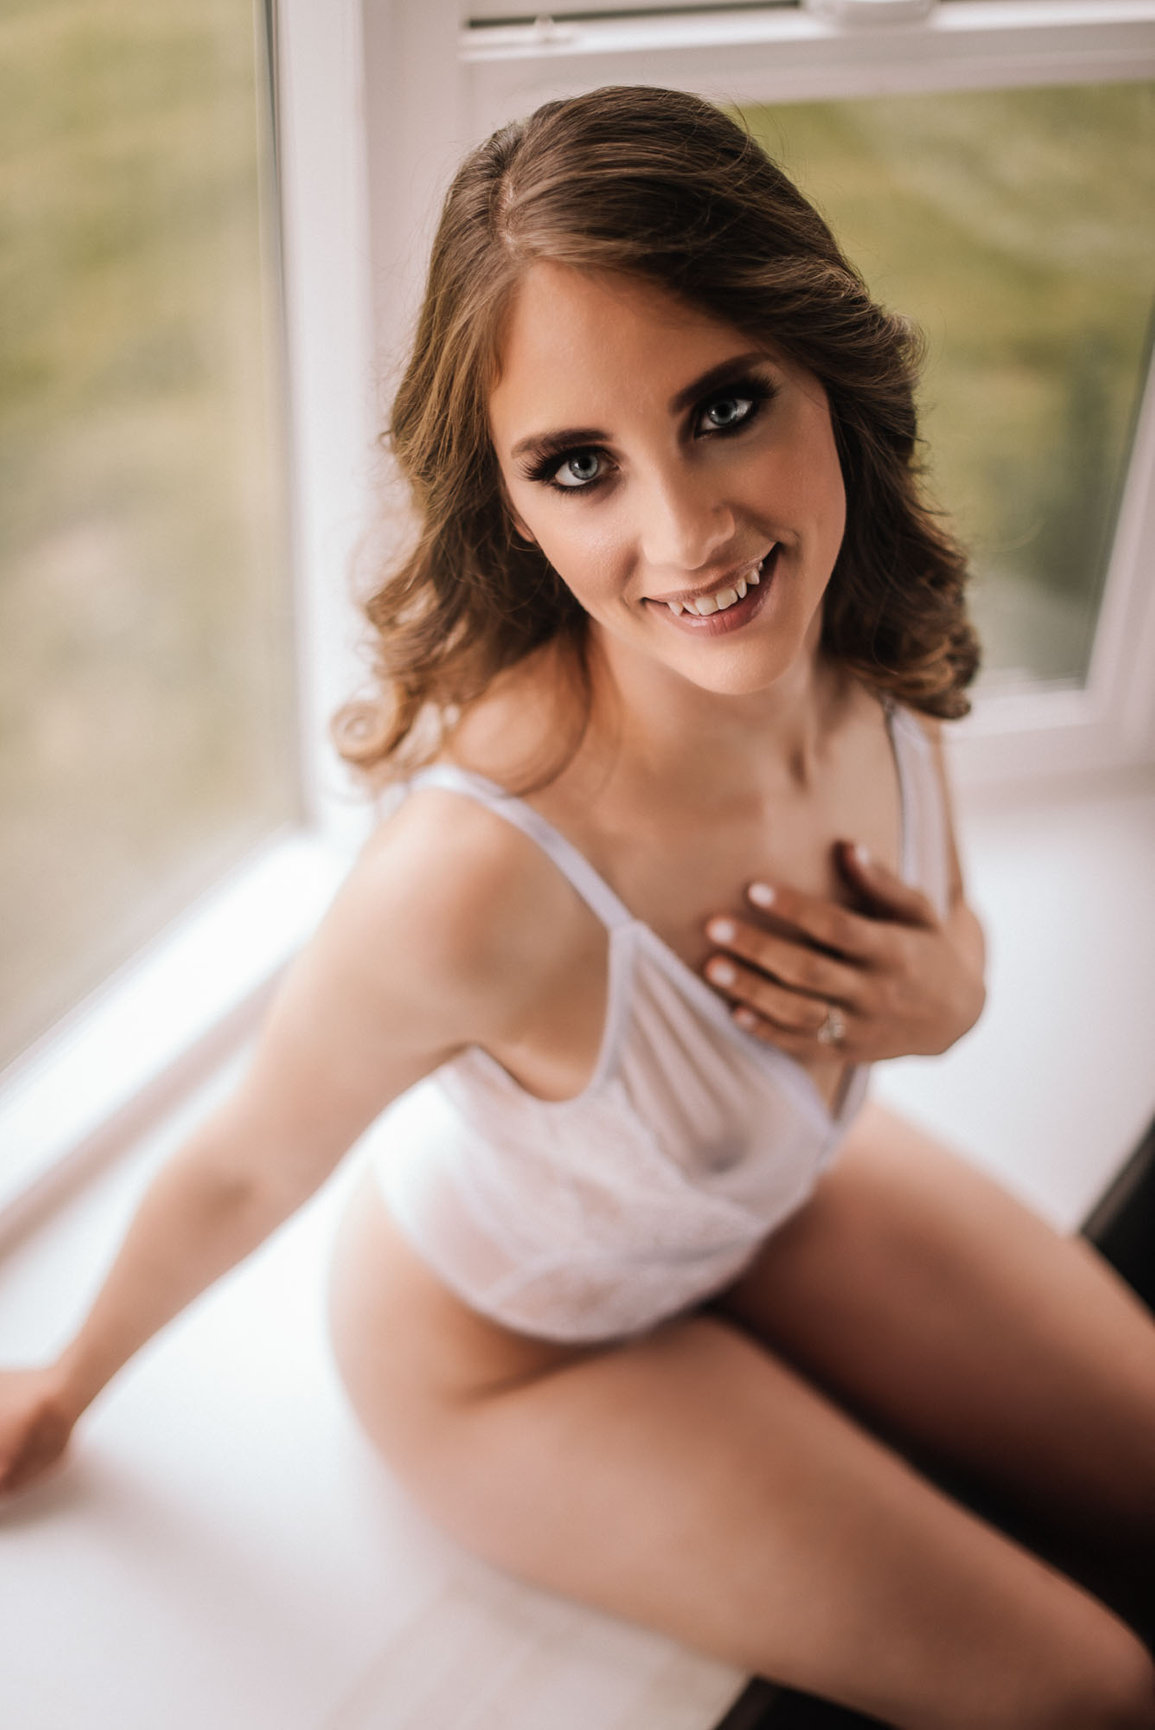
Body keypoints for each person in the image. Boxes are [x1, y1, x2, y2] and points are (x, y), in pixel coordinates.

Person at [2, 85, 1154, 1730]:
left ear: (824, 362)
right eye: (577, 465)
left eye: (725, 405)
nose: (685, 534)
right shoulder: (477, 879)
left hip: (769, 1201)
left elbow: (950, 928)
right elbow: (250, 1155)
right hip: (515, 1353)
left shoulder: (872, 642)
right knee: (1093, 1688)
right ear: (515, 505)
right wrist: (63, 1382)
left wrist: (952, 994)